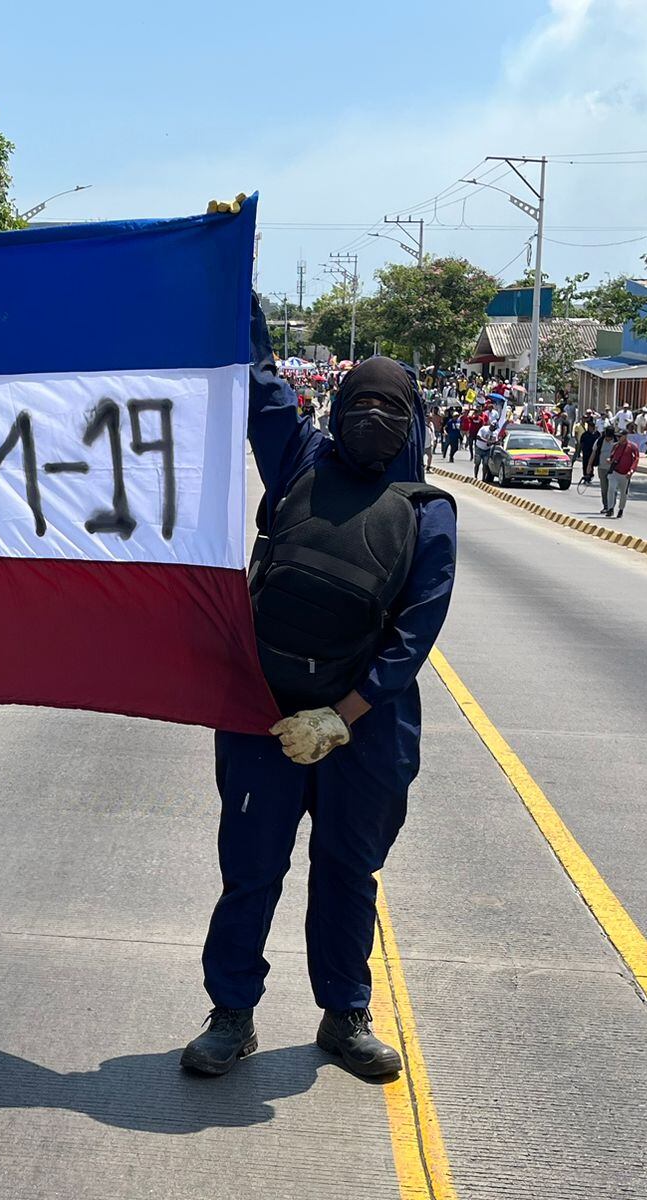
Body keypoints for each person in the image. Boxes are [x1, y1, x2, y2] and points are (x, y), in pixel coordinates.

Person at [182, 331, 457, 1082]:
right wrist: (239, 295)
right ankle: (231, 1016)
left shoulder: (428, 511)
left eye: (390, 407)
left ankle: (345, 1015)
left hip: (365, 728)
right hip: (261, 717)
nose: (373, 417)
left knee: (347, 872)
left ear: (413, 422)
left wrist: (345, 714)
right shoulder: (299, 460)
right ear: (336, 408)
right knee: (251, 870)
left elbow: (414, 633)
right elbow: (262, 384)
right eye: (360, 402)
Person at [609, 428, 640, 518]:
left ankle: (621, 509)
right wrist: (610, 460)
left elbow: (636, 459)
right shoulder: (616, 446)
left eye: (620, 436)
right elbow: (612, 456)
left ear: (625, 436)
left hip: (625, 474)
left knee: (623, 493)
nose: (618, 438)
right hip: (615, 471)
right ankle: (610, 508)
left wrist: (631, 470)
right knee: (611, 489)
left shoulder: (632, 447)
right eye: (617, 436)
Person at [595, 428, 618, 515]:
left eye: (609, 438)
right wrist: (589, 465)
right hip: (602, 468)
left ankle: (611, 507)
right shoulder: (600, 441)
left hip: (613, 469)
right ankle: (606, 506)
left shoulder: (617, 442)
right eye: (607, 437)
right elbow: (594, 452)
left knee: (612, 488)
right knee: (604, 488)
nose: (608, 439)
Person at [577, 419, 600, 485]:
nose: (590, 428)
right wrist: (578, 453)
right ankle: (586, 477)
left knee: (591, 465)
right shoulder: (584, 435)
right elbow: (581, 444)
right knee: (585, 465)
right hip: (586, 453)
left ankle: (590, 475)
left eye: (592, 427)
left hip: (593, 453)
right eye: (589, 427)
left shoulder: (597, 434)